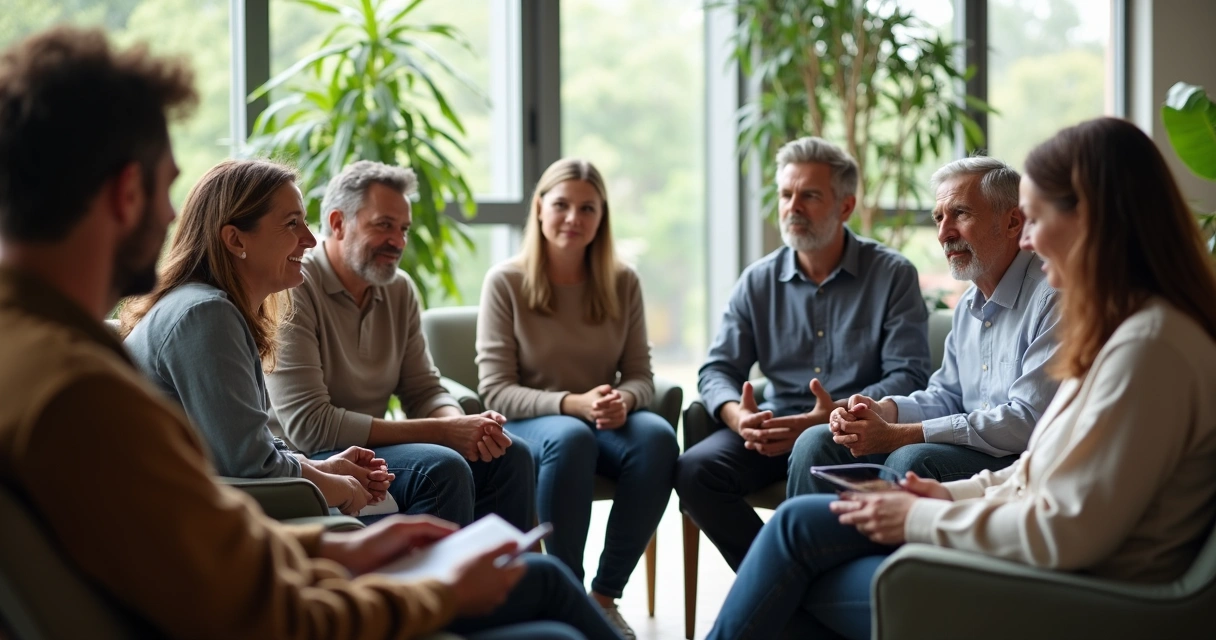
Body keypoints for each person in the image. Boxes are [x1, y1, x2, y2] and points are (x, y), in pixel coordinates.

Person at [0, 26, 623, 640]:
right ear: (125, 192)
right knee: (545, 600)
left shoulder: (39, 352)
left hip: (280, 572)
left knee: (532, 577)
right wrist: (435, 594)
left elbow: (207, 543)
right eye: (164, 188)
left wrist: (344, 554)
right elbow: (254, 604)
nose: (170, 214)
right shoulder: (81, 387)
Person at [706, 117, 1216, 640]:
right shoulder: (1127, 331)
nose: (1030, 241)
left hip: (1078, 593)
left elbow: (1065, 528)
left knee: (793, 557)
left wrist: (916, 519)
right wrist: (942, 493)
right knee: (797, 540)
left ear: (1095, 221)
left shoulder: (1150, 347)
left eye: (1035, 220)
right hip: (1043, 559)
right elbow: (1036, 472)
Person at [675, 136, 931, 570]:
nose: (793, 206)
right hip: (773, 427)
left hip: (849, 433)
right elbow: (718, 367)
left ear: (845, 207)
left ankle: (784, 587)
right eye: (786, 194)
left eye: (809, 195)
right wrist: (740, 418)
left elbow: (908, 375)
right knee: (694, 471)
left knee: (814, 443)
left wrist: (834, 415)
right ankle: (779, 580)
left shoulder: (892, 274)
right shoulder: (758, 280)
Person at [266, 160, 534, 530]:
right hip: (314, 458)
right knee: (441, 467)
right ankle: (435, 589)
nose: (398, 242)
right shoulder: (294, 287)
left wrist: (461, 425)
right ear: (338, 223)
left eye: (404, 229)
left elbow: (423, 388)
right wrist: (443, 432)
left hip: (372, 452)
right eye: (383, 225)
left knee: (509, 454)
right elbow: (311, 427)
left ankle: (505, 585)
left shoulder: (399, 288)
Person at [476, 157, 680, 639]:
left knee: (657, 438)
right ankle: (565, 593)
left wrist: (623, 402)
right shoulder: (505, 281)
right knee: (570, 439)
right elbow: (495, 389)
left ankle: (604, 597)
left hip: (602, 416)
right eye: (562, 205)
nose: (573, 218)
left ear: (601, 217)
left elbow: (640, 376)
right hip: (534, 421)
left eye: (587, 208)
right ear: (540, 207)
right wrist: (573, 403)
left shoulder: (622, 281)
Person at [121, 159, 390, 517]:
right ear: (235, 239)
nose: (310, 240)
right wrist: (338, 487)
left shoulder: (206, 309)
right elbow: (253, 467)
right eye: (292, 223)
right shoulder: (205, 316)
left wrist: (326, 468)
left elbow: (248, 446)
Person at [787, 156, 1061, 497]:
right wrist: (883, 410)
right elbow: (946, 395)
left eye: (960, 213)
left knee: (912, 459)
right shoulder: (967, 306)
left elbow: (1027, 421)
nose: (944, 233)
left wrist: (901, 433)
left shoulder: (1053, 296)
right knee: (817, 440)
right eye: (938, 218)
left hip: (1022, 462)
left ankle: (890, 550)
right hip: (971, 447)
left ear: (1012, 221)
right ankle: (825, 549)